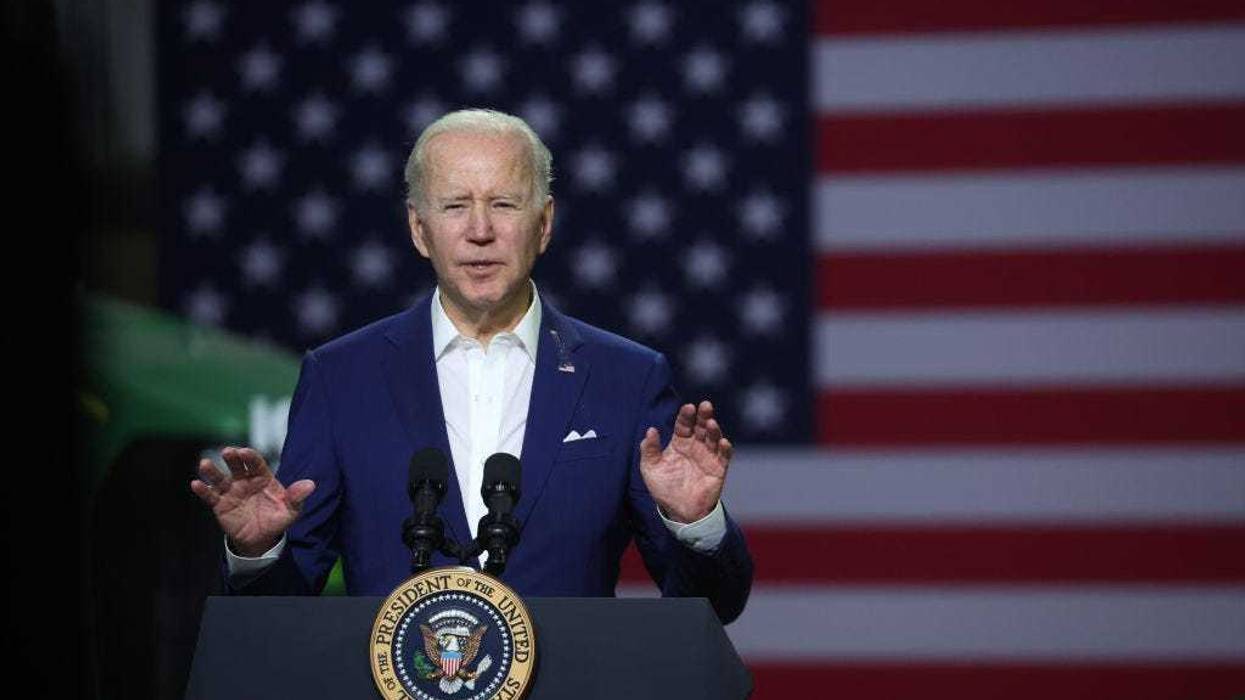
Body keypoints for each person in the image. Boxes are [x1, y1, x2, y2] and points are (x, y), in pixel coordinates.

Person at [190, 109, 753, 623]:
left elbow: (713, 608)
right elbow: (278, 617)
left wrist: (695, 525)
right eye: (455, 206)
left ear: (544, 223)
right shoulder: (341, 378)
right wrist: (257, 552)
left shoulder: (626, 379)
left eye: (504, 204)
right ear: (419, 230)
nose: (480, 231)